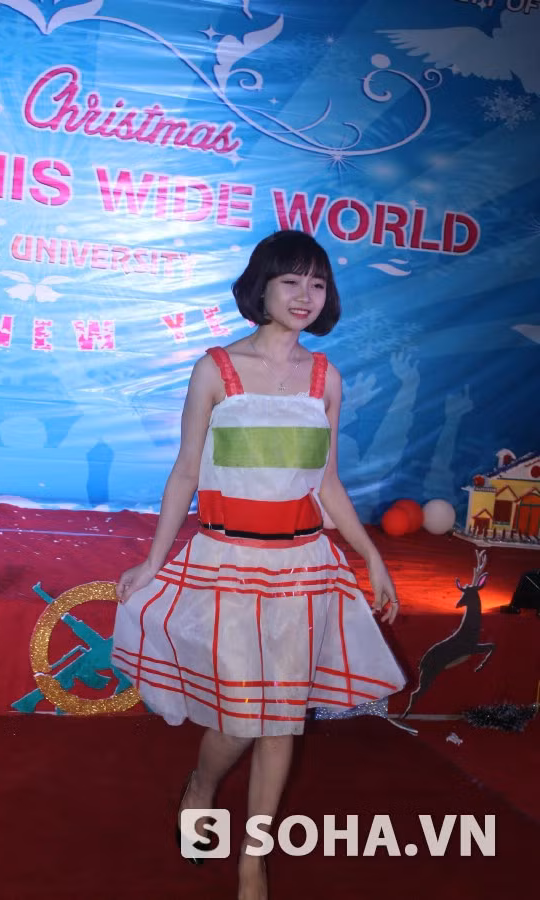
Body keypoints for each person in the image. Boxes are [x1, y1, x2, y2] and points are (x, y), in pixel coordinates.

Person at [111, 230, 405, 900]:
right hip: (227, 563)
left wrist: (370, 556)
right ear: (261, 287)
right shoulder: (216, 369)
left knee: (282, 720)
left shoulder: (326, 378)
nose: (305, 296)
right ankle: (201, 785)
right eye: (291, 281)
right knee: (241, 718)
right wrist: (154, 560)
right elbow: (186, 471)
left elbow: (327, 482)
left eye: (318, 283)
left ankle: (254, 859)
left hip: (302, 568)